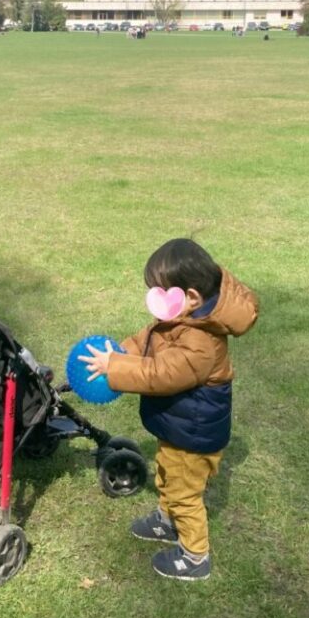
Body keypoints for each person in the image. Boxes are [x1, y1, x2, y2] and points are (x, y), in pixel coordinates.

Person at [79, 238, 258, 581]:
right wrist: (116, 351)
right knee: (165, 470)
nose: (155, 304)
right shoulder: (182, 320)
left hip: (194, 433)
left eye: (161, 293)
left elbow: (160, 374)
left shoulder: (201, 342)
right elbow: (146, 342)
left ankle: (195, 557)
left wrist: (115, 367)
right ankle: (166, 520)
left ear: (191, 297)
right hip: (179, 425)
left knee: (184, 492)